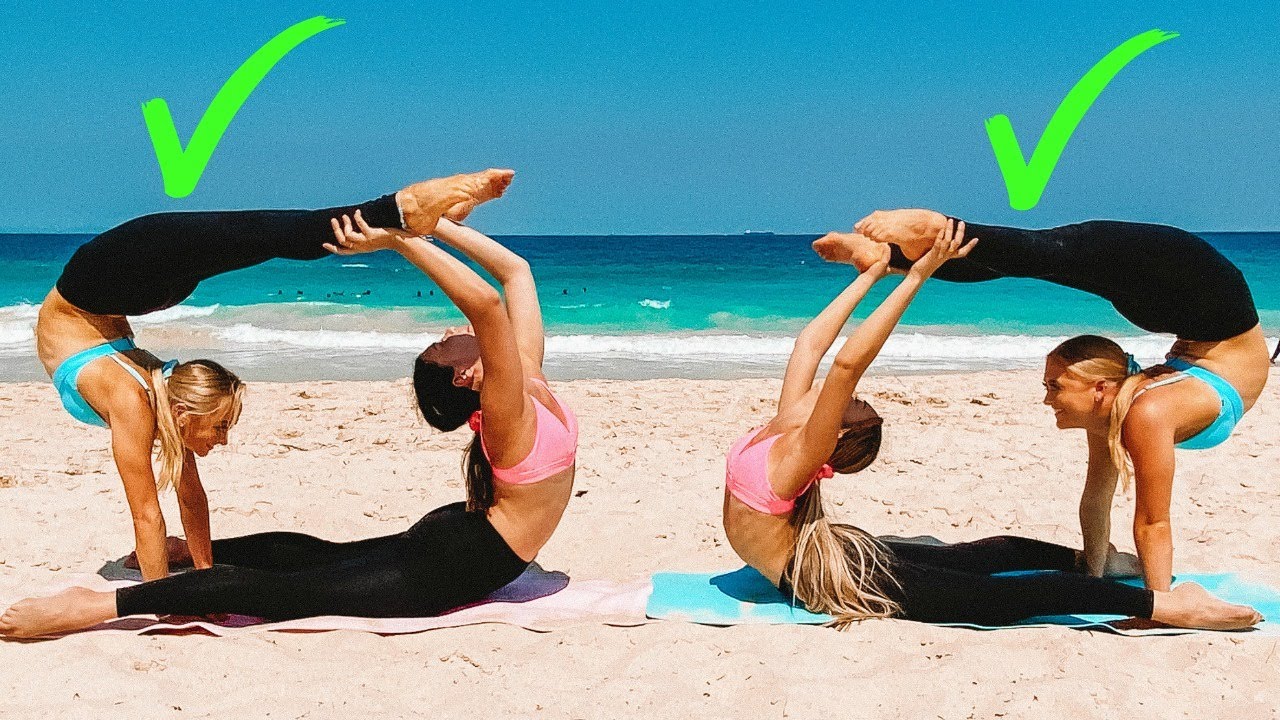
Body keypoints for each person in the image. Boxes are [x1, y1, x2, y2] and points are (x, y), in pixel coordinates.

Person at [0, 195, 582, 638]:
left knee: (311, 570)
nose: (449, 333)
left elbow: (499, 290)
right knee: (302, 578)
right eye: (444, 340)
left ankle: (160, 571)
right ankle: (97, 606)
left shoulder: (513, 395)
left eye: (442, 342)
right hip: (461, 555)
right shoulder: (514, 390)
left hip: (465, 551)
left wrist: (405, 235)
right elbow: (508, 283)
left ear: (464, 376)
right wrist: (419, 227)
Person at [726, 220, 1260, 630]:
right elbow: (826, 353)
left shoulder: (796, 436)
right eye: (854, 404)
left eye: (854, 401)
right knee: (994, 588)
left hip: (829, 562)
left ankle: (1123, 580)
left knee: (994, 564)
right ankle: (1152, 595)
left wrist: (891, 273)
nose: (848, 395)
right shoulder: (793, 431)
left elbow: (827, 354)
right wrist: (895, 274)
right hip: (832, 567)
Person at [33, 169, 512, 582]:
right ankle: (399, 212)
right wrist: (197, 584)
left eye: (220, 426)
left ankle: (401, 209)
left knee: (264, 234)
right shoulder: (157, 403)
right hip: (132, 289)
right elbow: (186, 500)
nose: (222, 440)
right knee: (264, 238)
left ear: (181, 412)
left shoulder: (135, 404)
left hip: (100, 280)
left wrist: (170, 596)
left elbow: (148, 514)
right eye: (222, 425)